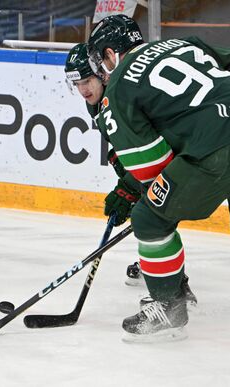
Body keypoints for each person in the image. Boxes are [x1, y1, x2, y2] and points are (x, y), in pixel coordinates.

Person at [86, 14, 230, 341]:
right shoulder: (181, 43)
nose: (101, 69)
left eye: (101, 60)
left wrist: (163, 200)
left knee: (150, 219)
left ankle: (168, 307)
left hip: (218, 148)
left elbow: (149, 165)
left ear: (111, 54)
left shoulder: (117, 89)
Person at [65, 43, 197, 301]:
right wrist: (125, 176)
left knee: (155, 214)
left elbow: (154, 150)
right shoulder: (97, 101)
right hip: (160, 157)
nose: (83, 90)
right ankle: (158, 266)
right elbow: (124, 148)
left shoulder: (122, 94)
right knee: (150, 213)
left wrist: (129, 186)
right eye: (77, 84)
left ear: (102, 74)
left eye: (87, 80)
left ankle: (176, 286)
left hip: (182, 154)